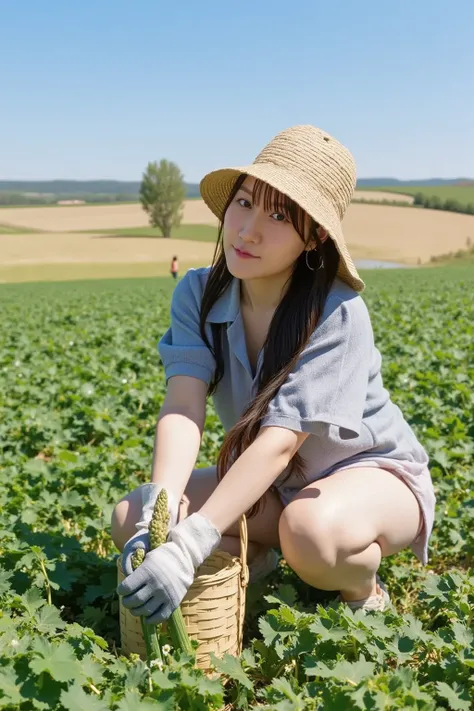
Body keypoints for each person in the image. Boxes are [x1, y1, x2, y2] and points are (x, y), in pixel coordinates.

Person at [112, 125, 436, 625]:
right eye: (244, 203)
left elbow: (281, 443)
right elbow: (183, 405)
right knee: (130, 518)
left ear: (316, 236)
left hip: (368, 474)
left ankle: (360, 584)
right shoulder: (197, 294)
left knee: (310, 532)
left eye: (280, 215)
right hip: (276, 484)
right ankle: (258, 552)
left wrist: (192, 541)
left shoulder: (337, 312)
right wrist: (162, 507)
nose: (247, 230)